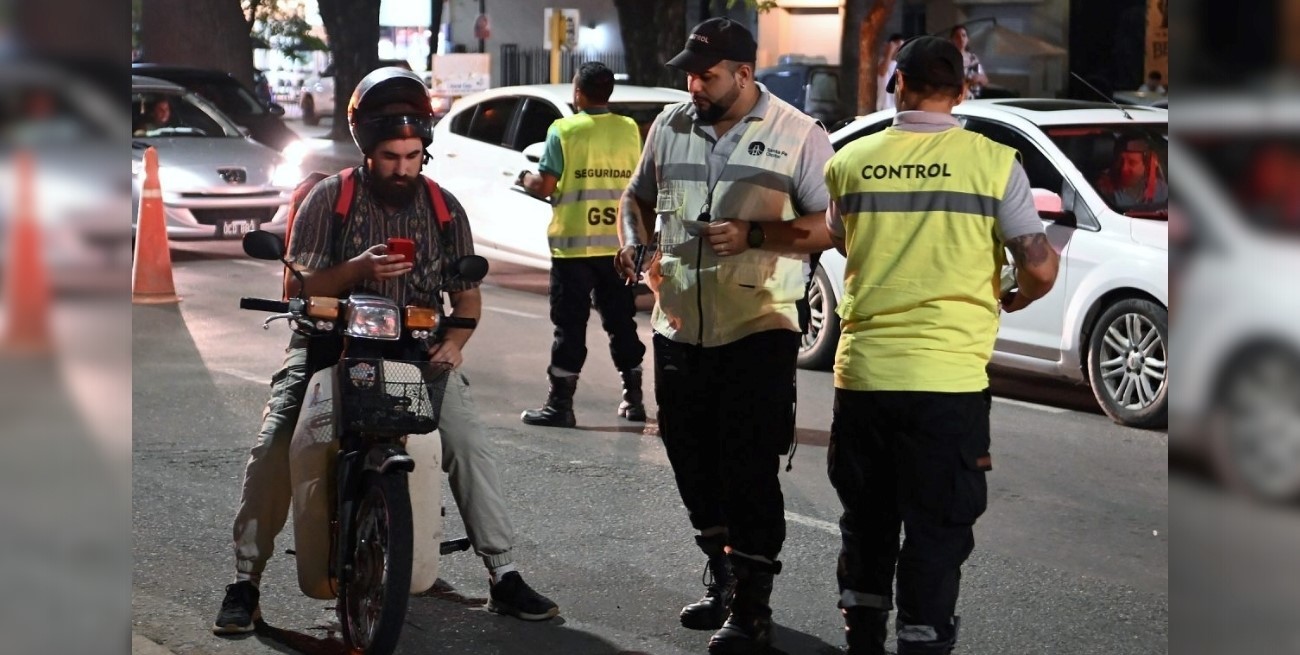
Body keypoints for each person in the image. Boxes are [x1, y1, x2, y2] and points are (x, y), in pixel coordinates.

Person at [212, 67, 558, 635]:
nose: (403, 167)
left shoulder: (444, 209)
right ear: (367, 151)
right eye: (390, 156)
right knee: (275, 444)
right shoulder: (330, 199)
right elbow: (295, 289)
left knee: (469, 445)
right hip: (326, 347)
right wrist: (358, 269)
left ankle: (504, 573)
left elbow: (465, 294)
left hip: (413, 356)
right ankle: (245, 582)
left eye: (412, 154)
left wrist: (455, 339)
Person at [822, 36, 1060, 655]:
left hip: (866, 376)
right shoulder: (994, 163)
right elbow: (1038, 266)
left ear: (896, 82)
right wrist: (1017, 297)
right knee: (936, 527)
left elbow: (844, 243)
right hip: (947, 383)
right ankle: (923, 639)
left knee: (867, 521)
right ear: (962, 90)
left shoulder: (849, 161)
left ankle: (863, 636)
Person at [615, 17, 834, 655]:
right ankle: (722, 573)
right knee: (690, 459)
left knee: (748, 467)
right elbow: (636, 196)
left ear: (745, 74)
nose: (693, 85)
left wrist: (754, 236)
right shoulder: (670, 124)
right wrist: (633, 245)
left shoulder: (798, 136)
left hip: (757, 326)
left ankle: (753, 607)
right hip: (677, 323)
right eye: (689, 73)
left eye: (706, 75)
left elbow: (829, 227)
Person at [517, 61, 647, 428]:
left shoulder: (564, 130)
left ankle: (561, 406)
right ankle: (633, 399)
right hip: (619, 247)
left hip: (573, 251)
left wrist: (526, 178)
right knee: (622, 322)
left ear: (578, 93)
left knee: (569, 326)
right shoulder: (628, 130)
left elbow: (544, 185)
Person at [1096, 137, 1168, 210]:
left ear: (1147, 166)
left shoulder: (1161, 190)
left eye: (1132, 163)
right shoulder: (1103, 193)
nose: (1124, 169)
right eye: (1120, 161)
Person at [949, 26, 987, 100]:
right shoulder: (949, 58)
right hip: (957, 98)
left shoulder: (973, 58)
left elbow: (985, 81)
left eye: (964, 35)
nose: (961, 39)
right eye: (957, 36)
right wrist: (967, 81)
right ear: (952, 40)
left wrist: (979, 78)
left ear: (967, 39)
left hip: (975, 99)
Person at [877, 34, 905, 111]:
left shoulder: (901, 64)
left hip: (894, 108)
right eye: (897, 47)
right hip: (882, 107)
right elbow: (882, 72)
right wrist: (890, 51)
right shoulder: (881, 62)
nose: (898, 50)